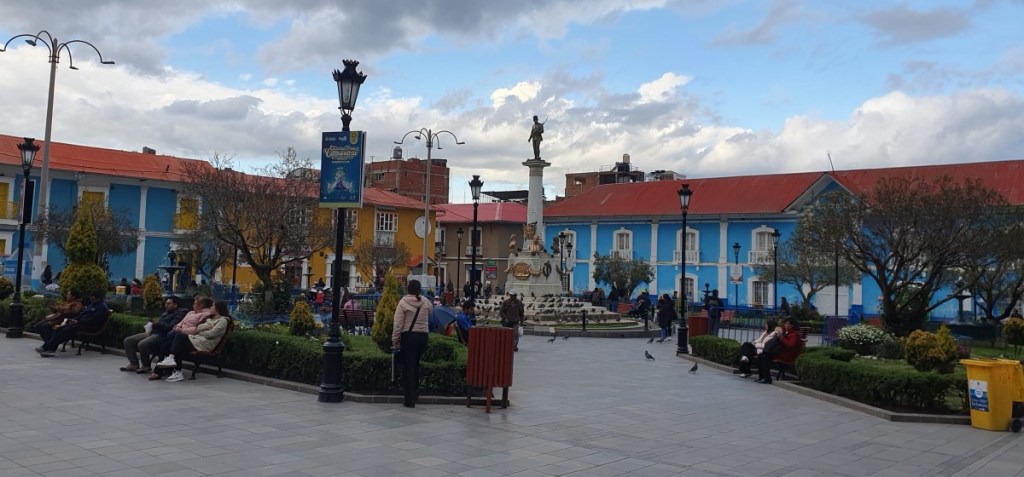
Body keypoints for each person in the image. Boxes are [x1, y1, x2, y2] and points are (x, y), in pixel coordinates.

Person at [161, 300, 231, 383]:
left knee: (180, 337)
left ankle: (173, 362)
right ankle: (174, 368)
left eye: (213, 306)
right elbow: (198, 327)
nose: (210, 308)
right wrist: (205, 328)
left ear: (218, 309)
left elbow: (211, 334)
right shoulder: (211, 318)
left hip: (205, 344)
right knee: (168, 343)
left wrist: (201, 331)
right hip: (197, 340)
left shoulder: (223, 320)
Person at [150, 297, 214, 379]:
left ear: (201, 305)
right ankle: (166, 368)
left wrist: (182, 330)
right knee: (162, 343)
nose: (193, 305)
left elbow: (197, 329)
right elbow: (181, 322)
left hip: (190, 338)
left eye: (194, 303)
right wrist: (177, 327)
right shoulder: (191, 312)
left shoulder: (205, 315)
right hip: (179, 335)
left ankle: (158, 371)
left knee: (167, 345)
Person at [392, 279, 432, 408]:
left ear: (408, 289)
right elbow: (430, 313)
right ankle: (415, 392)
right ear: (419, 289)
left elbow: (398, 323)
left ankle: (410, 399)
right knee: (416, 364)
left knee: (408, 367)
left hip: (409, 337)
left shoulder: (403, 302)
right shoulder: (426, 302)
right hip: (423, 337)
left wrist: (395, 339)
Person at [121, 297, 187, 373]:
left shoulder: (180, 314)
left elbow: (170, 327)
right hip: (153, 332)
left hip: (162, 335)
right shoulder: (166, 313)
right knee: (128, 341)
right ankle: (134, 364)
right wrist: (153, 325)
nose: (166, 305)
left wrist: (157, 324)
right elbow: (161, 323)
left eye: (169, 303)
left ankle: (146, 366)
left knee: (142, 344)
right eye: (166, 303)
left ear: (175, 305)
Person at [36, 290, 109, 357]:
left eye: (93, 299)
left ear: (99, 298)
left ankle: (47, 348)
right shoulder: (92, 305)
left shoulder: (102, 308)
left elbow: (93, 320)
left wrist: (79, 321)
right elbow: (82, 314)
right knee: (60, 328)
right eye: (91, 299)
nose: (92, 300)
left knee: (66, 331)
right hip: (80, 324)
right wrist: (74, 320)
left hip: (89, 326)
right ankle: (50, 349)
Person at [757, 318, 803, 384]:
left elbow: (789, 346)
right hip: (782, 353)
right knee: (761, 355)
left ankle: (767, 379)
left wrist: (781, 337)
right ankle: (762, 377)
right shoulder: (787, 332)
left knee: (765, 357)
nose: (785, 325)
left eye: (787, 324)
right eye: (785, 323)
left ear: (792, 325)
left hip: (787, 356)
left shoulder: (795, 335)